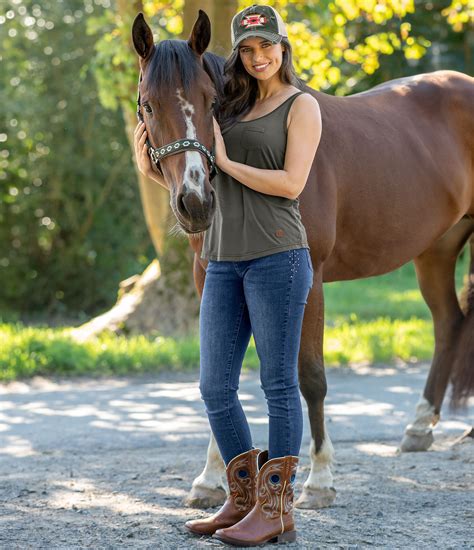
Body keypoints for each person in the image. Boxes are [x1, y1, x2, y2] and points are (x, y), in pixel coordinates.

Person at [134, 4, 322, 546]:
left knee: (278, 384)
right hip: (220, 258)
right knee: (215, 386)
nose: (259, 57)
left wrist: (225, 159)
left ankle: (277, 508)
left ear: (282, 48)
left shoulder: (300, 106)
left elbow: (291, 184)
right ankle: (241, 499)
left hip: (277, 255)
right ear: (236, 54)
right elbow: (178, 141)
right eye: (248, 49)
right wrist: (147, 135)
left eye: (267, 47)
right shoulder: (226, 102)